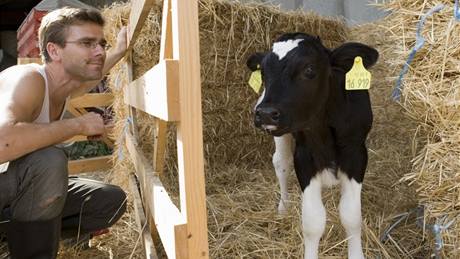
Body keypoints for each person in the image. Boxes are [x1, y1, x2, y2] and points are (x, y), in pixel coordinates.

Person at [0, 7, 128, 258]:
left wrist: (120, 50)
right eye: (86, 43)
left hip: (12, 194)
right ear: (54, 50)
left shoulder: (64, 88)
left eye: (101, 43)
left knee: (108, 201)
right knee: (47, 161)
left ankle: (9, 238)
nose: (100, 51)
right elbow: (3, 142)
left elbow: (92, 76)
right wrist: (77, 125)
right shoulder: (27, 80)